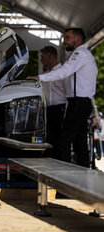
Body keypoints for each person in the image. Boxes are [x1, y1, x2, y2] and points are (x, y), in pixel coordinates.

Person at [27, 28, 98, 168]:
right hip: (80, 102)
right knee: (80, 143)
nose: (64, 41)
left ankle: (65, 179)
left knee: (64, 142)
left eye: (67, 38)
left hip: (78, 103)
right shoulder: (83, 54)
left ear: (77, 39)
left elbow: (64, 72)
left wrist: (39, 77)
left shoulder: (80, 53)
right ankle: (83, 176)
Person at [39, 46, 67, 157]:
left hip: (61, 109)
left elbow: (68, 93)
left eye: (42, 57)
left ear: (50, 56)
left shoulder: (63, 72)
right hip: (48, 110)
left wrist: (65, 115)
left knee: (61, 141)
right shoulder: (45, 75)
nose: (41, 60)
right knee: (49, 140)